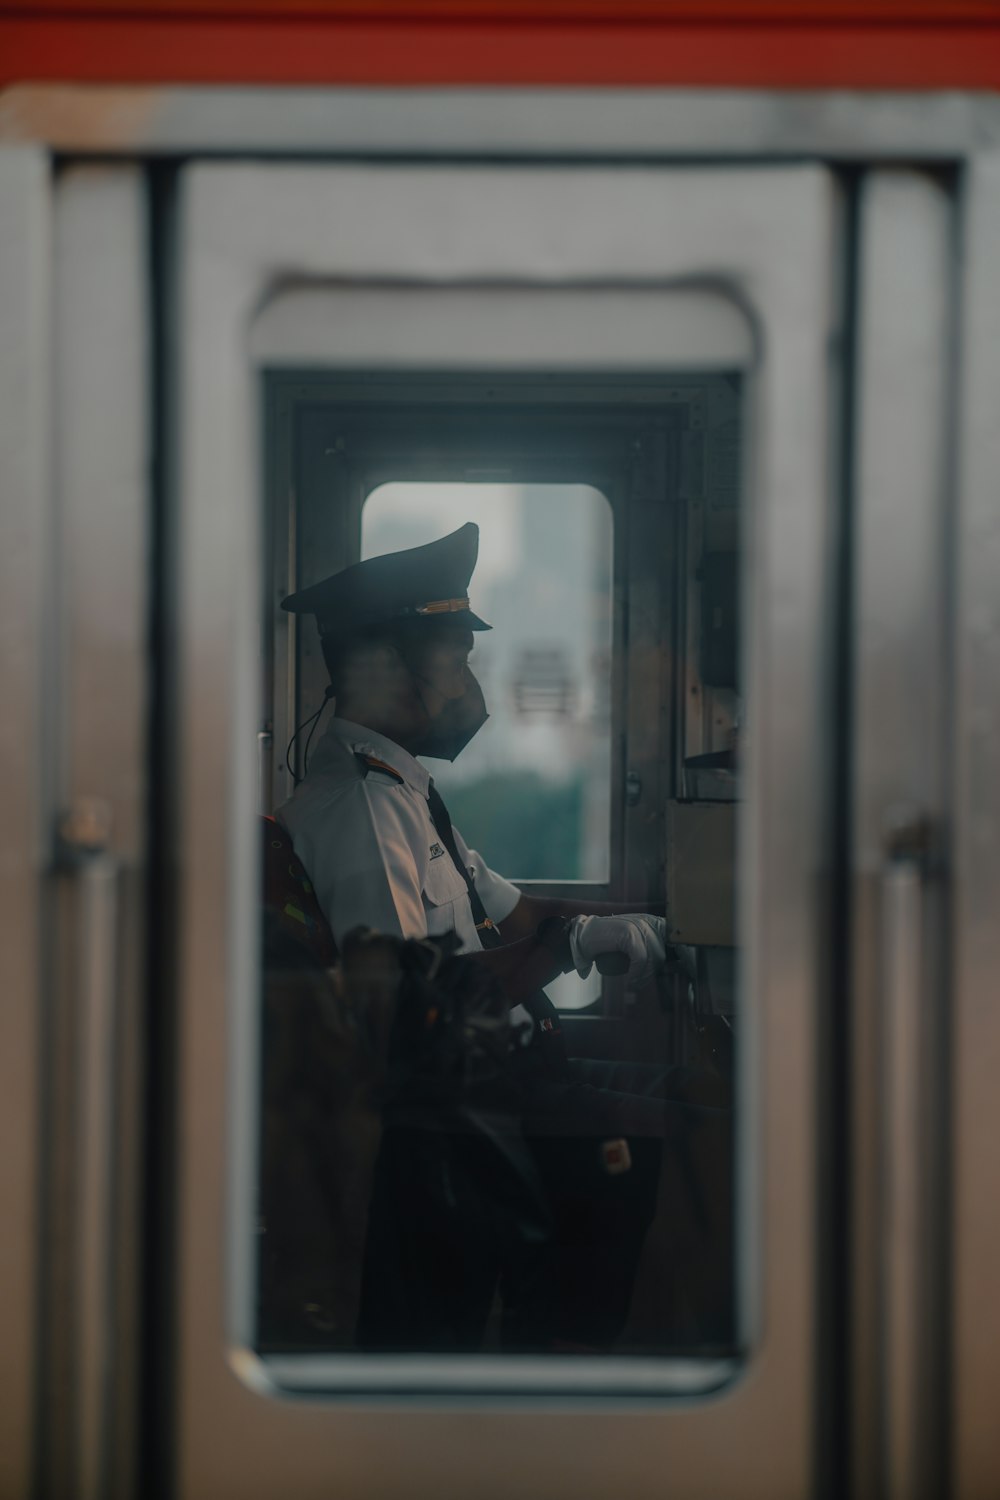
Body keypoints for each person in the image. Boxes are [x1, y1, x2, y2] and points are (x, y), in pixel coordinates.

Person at [276, 522, 725, 1352]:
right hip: (457, 1114)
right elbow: (410, 1013)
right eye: (455, 659)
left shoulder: (406, 795)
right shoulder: (360, 813)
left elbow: (515, 916)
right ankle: (572, 1389)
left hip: (505, 1077)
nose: (468, 685)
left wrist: (637, 928)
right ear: (382, 667)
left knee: (698, 1093)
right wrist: (570, 950)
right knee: (689, 1138)